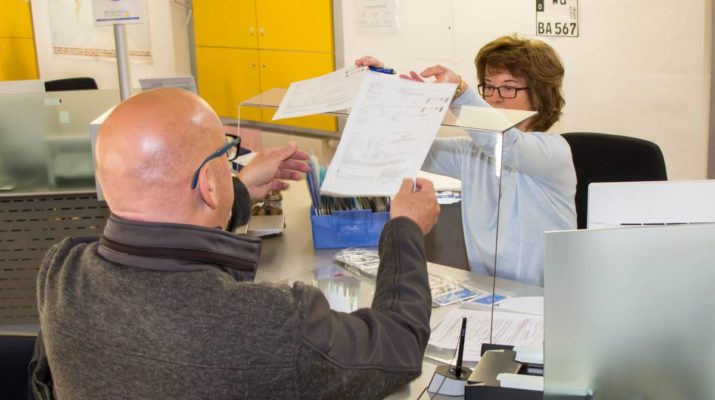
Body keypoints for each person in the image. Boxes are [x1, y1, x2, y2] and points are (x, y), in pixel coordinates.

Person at [34, 88, 440, 399]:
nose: (234, 165)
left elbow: (164, 230)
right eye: (229, 156)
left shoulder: (60, 272)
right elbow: (398, 345)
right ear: (210, 186)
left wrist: (241, 189)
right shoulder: (267, 321)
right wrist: (404, 227)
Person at [356, 34, 576, 286]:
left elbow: (506, 143)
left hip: (546, 300)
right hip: (490, 296)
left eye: (509, 87)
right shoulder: (472, 152)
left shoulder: (554, 151)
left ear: (539, 93)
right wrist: (384, 89)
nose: (495, 97)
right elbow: (407, 146)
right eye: (489, 86)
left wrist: (459, 92)